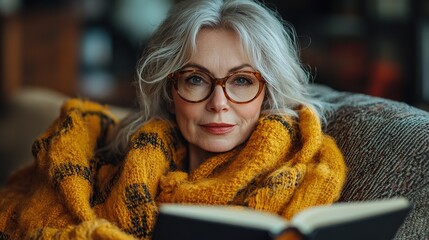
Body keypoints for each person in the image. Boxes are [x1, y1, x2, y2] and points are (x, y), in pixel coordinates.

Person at [0, 0, 347, 239]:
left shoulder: (308, 168)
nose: (218, 103)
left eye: (242, 81)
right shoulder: (108, 161)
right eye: (196, 79)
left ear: (267, 92)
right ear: (169, 89)